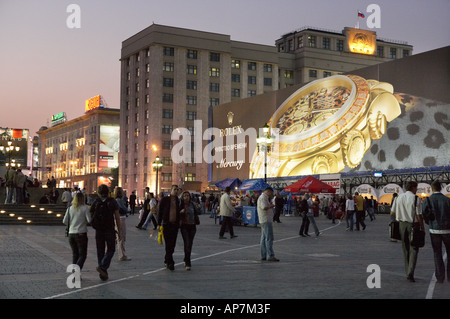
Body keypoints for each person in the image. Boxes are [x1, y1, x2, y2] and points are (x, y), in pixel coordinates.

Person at [391, 181, 424, 282]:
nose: (417, 189)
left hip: (402, 225)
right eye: (416, 187)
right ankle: (411, 272)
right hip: (413, 225)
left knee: (405, 249)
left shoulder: (398, 198)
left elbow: (392, 212)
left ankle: (407, 271)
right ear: (413, 188)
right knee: (414, 248)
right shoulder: (416, 198)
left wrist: (400, 215)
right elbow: (419, 215)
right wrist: (422, 226)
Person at [90, 184, 121, 281]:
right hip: (109, 229)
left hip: (99, 230)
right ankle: (103, 268)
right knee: (111, 249)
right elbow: (117, 217)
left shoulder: (96, 202)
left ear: (98, 192)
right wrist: (119, 230)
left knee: (100, 250)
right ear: (108, 192)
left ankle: (102, 273)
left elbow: (91, 214)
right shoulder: (112, 202)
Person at [422, 180, 450, 283]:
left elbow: (424, 213)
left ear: (431, 189)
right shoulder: (447, 200)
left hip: (434, 230)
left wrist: (429, 223)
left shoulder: (428, 200)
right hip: (447, 230)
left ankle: (440, 277)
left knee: (437, 253)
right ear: (440, 188)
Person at [63, 192, 91, 271]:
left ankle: (75, 272)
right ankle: (76, 270)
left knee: (75, 254)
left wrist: (72, 223)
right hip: (81, 233)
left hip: (71, 234)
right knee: (82, 255)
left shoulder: (70, 208)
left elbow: (65, 221)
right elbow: (89, 220)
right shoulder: (85, 208)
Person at [157, 185, 181, 271]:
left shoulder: (178, 201)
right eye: (174, 189)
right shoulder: (165, 200)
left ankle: (167, 259)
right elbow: (160, 211)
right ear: (171, 190)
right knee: (168, 244)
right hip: (167, 224)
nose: (176, 191)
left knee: (173, 244)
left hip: (175, 225)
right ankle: (171, 262)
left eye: (177, 190)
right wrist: (158, 223)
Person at [257, 187, 279, 261]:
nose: (272, 195)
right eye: (271, 193)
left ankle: (263, 254)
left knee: (263, 238)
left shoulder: (263, 197)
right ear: (269, 192)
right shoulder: (263, 197)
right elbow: (264, 207)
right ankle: (270, 255)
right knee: (269, 238)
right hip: (266, 220)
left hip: (263, 220)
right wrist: (271, 206)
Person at [180, 191, 200, 270]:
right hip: (184, 226)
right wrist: (180, 212)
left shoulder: (192, 204)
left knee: (190, 244)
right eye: (185, 196)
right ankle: (188, 262)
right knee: (187, 243)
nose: (186, 197)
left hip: (192, 226)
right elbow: (176, 214)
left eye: (188, 196)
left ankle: (186, 258)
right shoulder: (180, 204)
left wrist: (198, 208)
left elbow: (198, 213)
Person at [115, 187, 131, 261]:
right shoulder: (119, 201)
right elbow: (125, 209)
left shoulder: (116, 200)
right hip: (121, 219)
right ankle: (122, 255)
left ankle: (121, 254)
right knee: (121, 237)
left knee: (119, 237)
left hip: (118, 219)